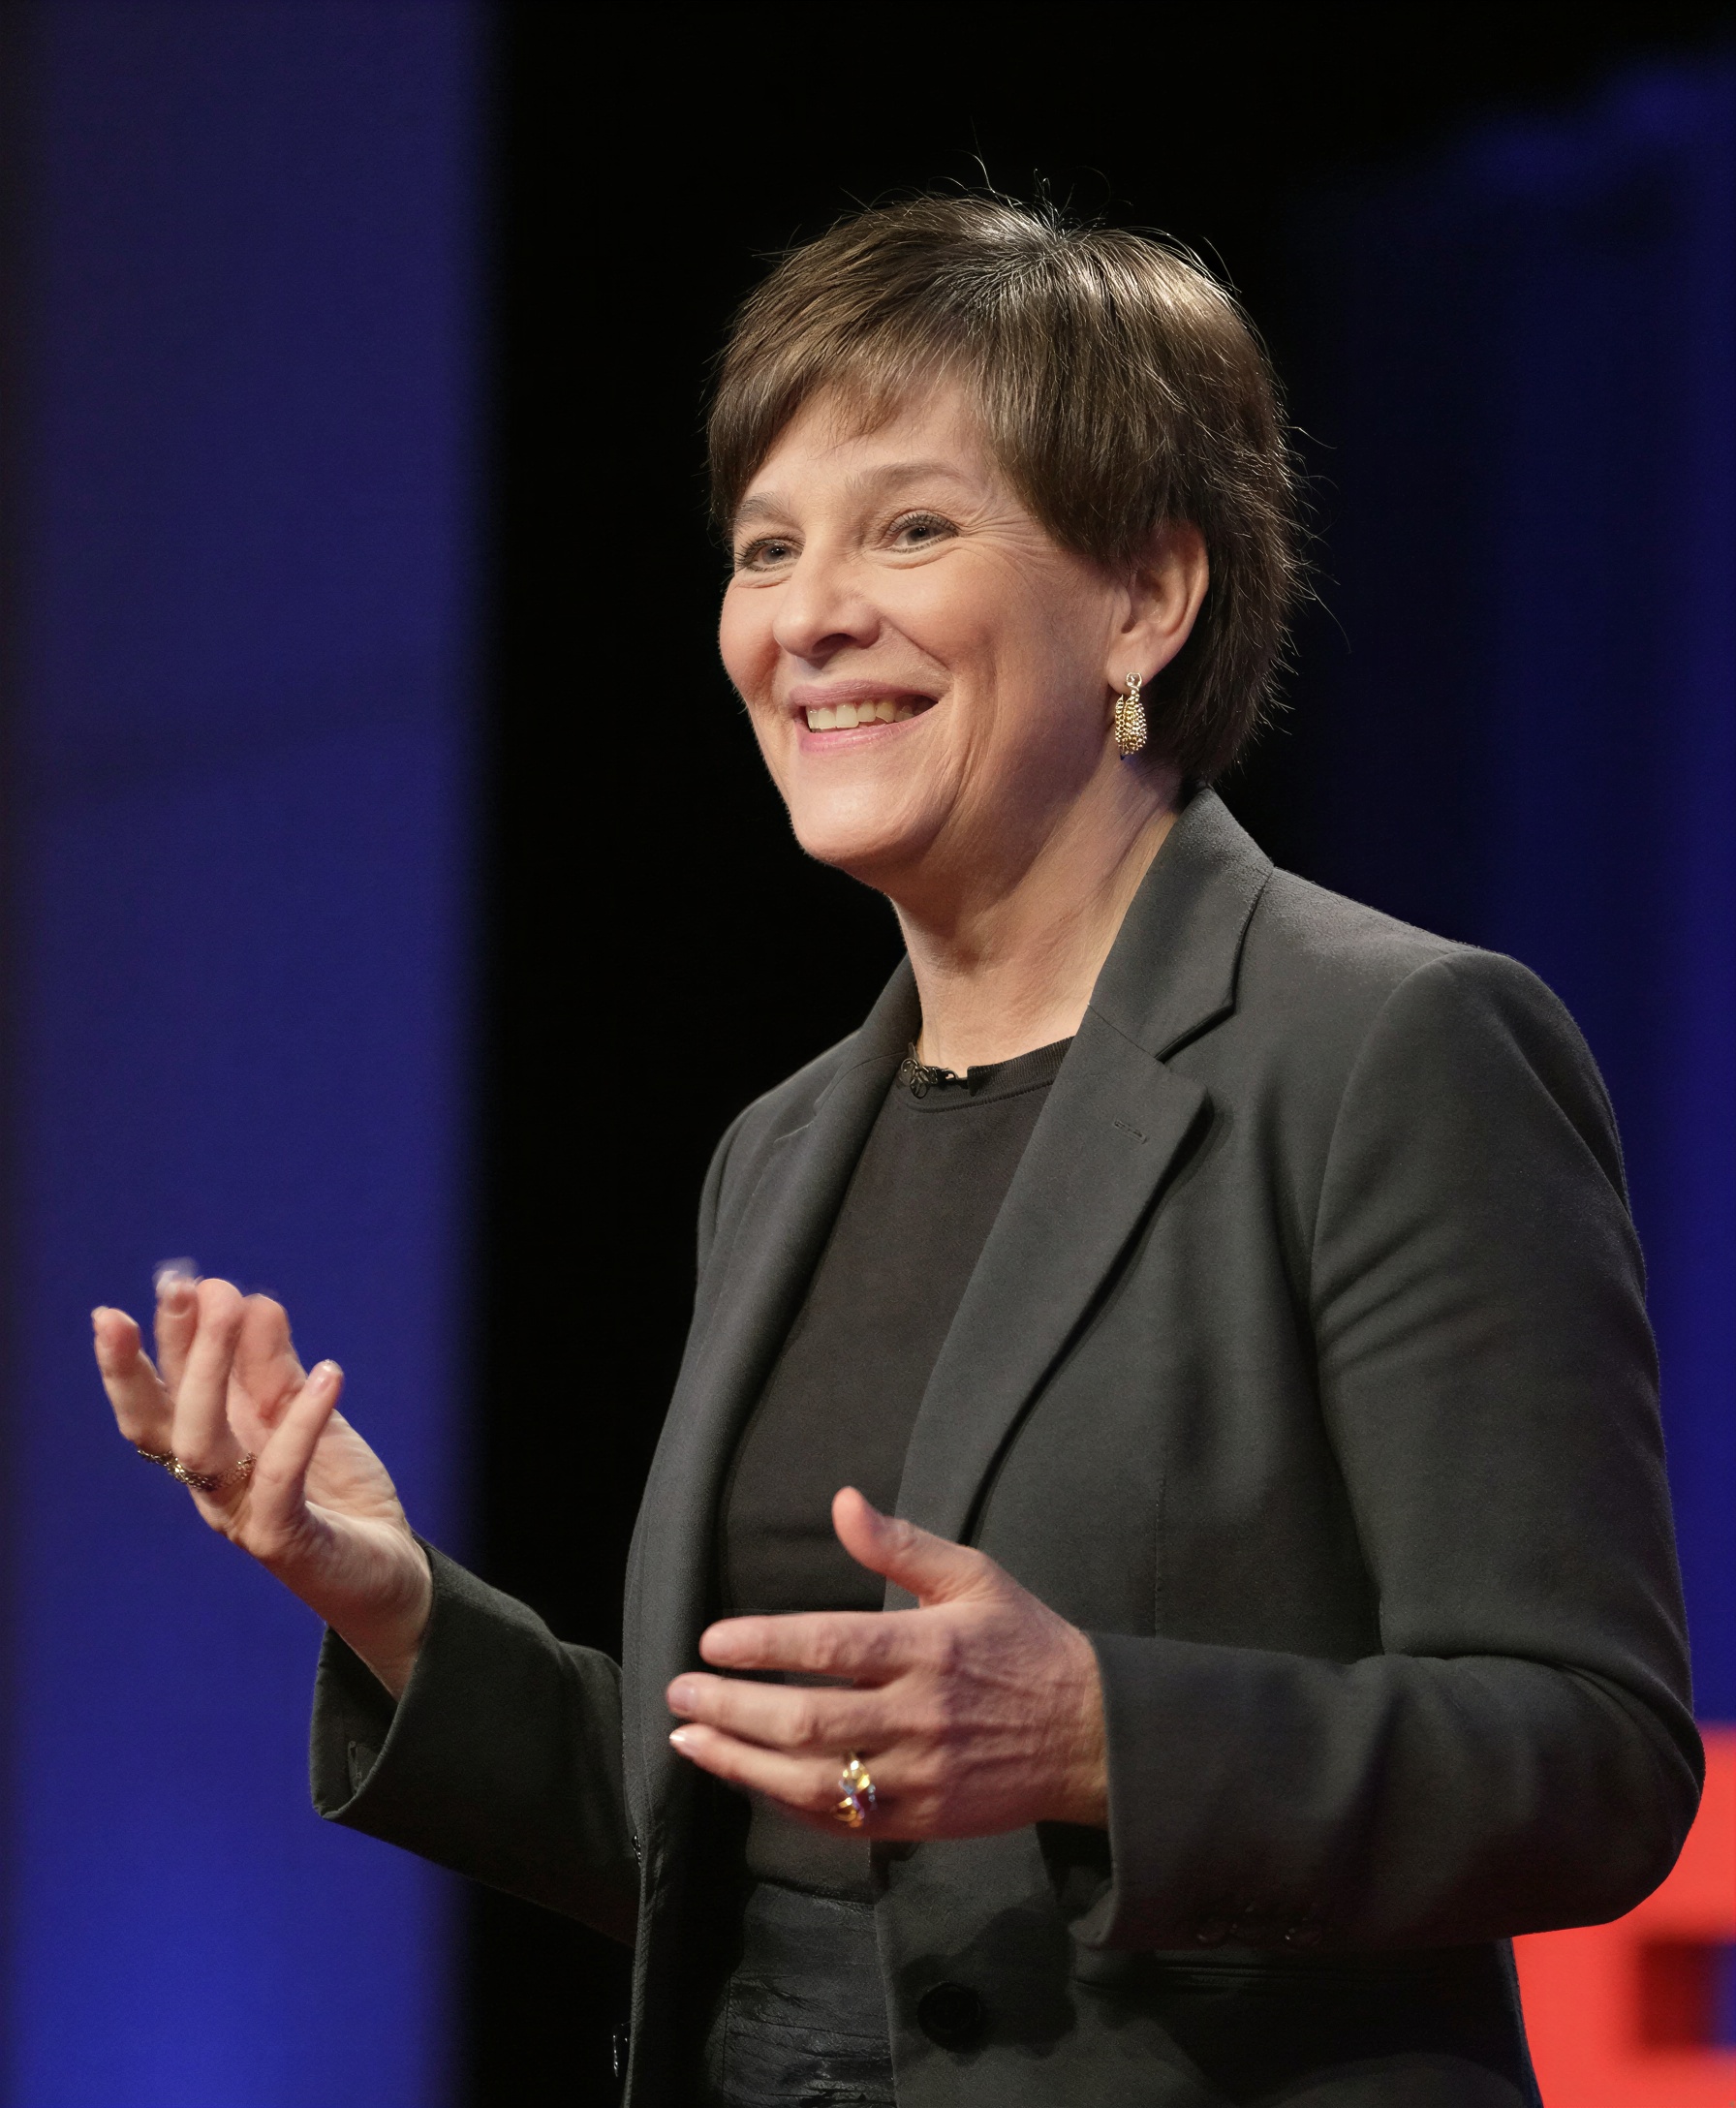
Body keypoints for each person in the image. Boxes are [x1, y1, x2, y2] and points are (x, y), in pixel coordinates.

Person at [93, 196, 1698, 2107]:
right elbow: (747, 1845)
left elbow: (1592, 1758)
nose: (808, 614)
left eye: (910, 527)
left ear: (1145, 598)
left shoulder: (1389, 1049)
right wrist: (385, 1596)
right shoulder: (777, 1149)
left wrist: (1102, 1737)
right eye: (766, 546)